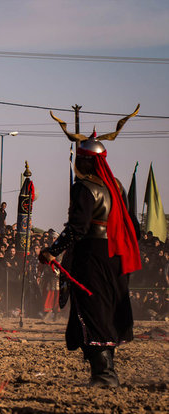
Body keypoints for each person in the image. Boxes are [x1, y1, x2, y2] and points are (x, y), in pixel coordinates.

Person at [40, 108, 141, 387]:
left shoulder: (84, 187)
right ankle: (106, 373)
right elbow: (136, 228)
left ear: (84, 162)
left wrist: (52, 249)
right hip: (116, 256)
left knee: (93, 312)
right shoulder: (116, 186)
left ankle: (105, 375)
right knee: (105, 312)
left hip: (92, 257)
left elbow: (78, 228)